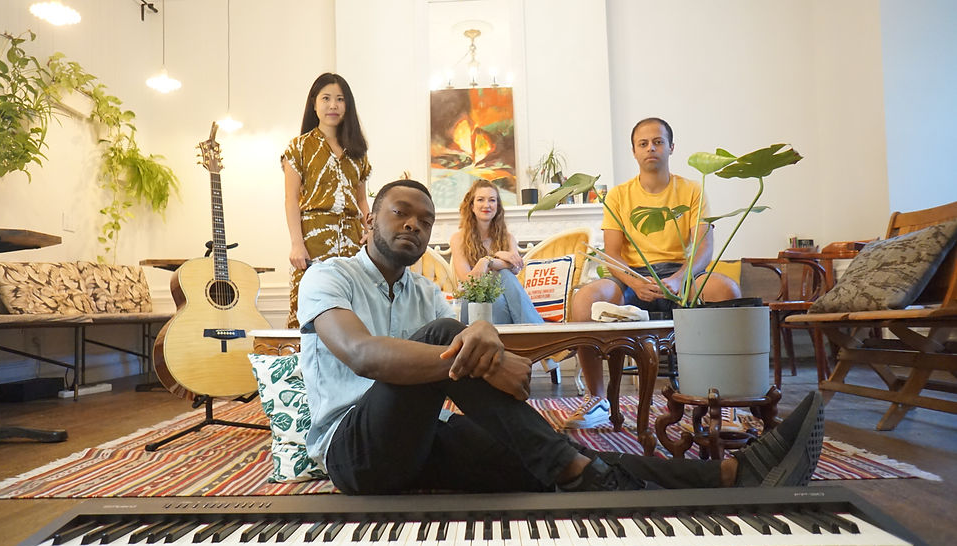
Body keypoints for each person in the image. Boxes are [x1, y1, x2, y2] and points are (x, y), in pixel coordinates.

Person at [296, 178, 823, 495]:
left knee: (550, 453)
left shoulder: (423, 290)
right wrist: (487, 355)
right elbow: (363, 355)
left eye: (425, 219)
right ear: (369, 220)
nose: (413, 224)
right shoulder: (329, 276)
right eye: (400, 213)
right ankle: (573, 468)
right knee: (447, 333)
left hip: (421, 441)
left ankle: (730, 475)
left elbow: (463, 346)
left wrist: (484, 340)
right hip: (355, 454)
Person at [564, 117, 742, 430]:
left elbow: (703, 248)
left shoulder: (692, 189)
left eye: (658, 142)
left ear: (671, 147)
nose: (651, 148)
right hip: (632, 276)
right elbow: (613, 254)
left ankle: (724, 401)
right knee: (584, 300)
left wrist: (680, 279)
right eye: (643, 143)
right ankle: (596, 398)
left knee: (727, 290)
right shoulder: (618, 195)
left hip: (679, 274)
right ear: (634, 151)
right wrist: (635, 281)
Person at [282, 72, 371, 328]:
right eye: (326, 98)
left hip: (353, 243)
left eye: (340, 99)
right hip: (314, 242)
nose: (333, 105)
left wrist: (370, 232)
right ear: (314, 103)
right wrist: (297, 244)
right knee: (308, 311)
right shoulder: (298, 147)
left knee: (354, 310)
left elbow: (361, 200)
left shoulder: (358, 151)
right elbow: (291, 200)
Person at [449, 179, 560, 373]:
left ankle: (501, 363)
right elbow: (468, 280)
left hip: (499, 300)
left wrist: (488, 261)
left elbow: (515, 267)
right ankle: (544, 345)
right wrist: (493, 260)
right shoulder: (458, 238)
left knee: (503, 285)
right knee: (504, 276)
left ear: (498, 206)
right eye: (481, 199)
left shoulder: (507, 238)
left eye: (492, 200)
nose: (487, 205)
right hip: (473, 301)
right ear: (471, 206)